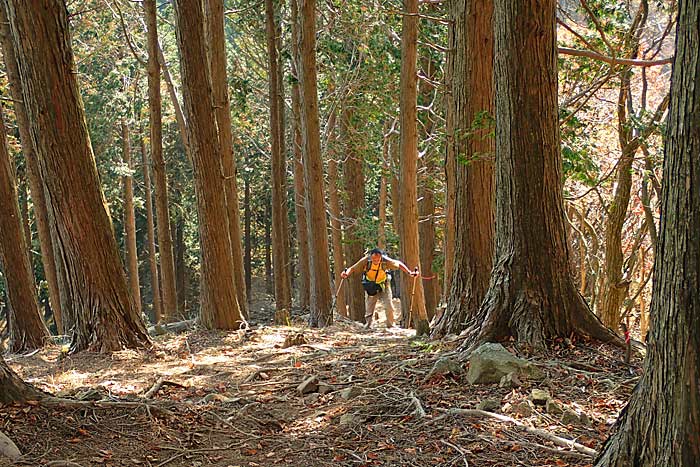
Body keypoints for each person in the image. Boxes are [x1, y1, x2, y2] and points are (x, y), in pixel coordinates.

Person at [341, 248, 419, 329]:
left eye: (378, 259)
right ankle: (368, 325)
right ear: (371, 257)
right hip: (370, 285)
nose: (376, 260)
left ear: (381, 257)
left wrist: (409, 272)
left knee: (389, 305)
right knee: (369, 306)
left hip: (384, 284)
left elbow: (399, 264)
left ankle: (391, 325)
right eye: (374, 258)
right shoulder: (366, 261)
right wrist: (346, 274)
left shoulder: (385, 260)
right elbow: (353, 268)